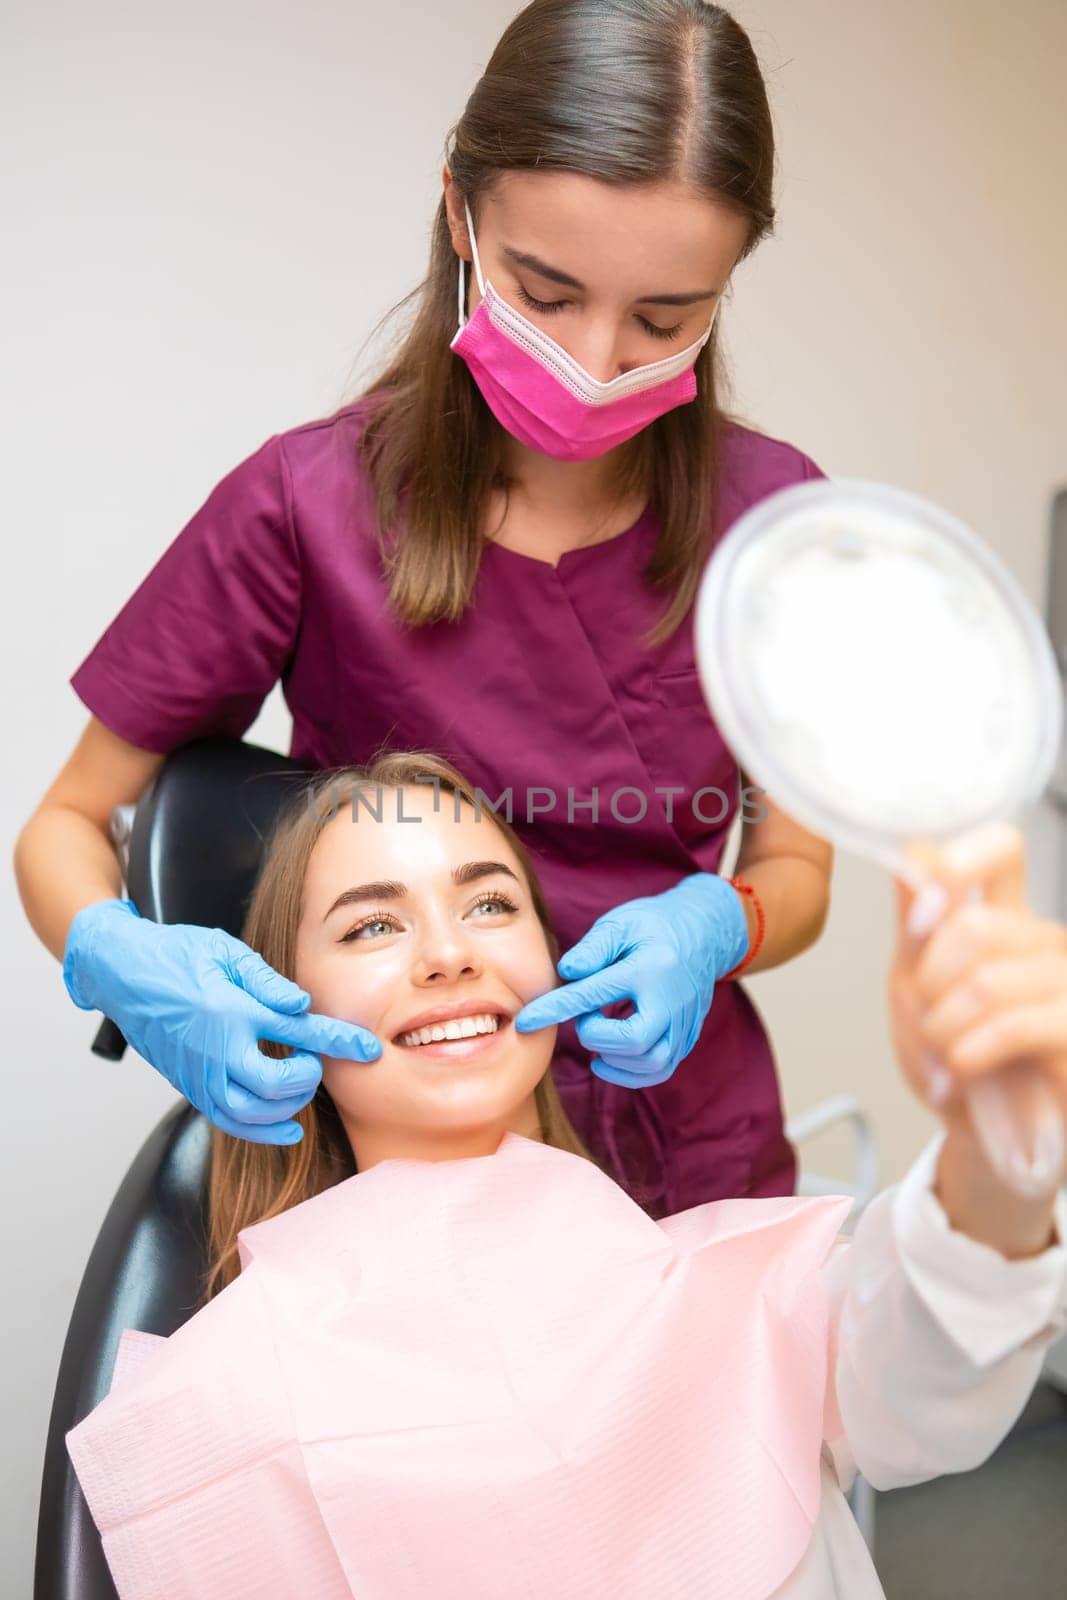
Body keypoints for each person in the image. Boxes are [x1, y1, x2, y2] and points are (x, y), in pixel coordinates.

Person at [15, 0, 836, 1215]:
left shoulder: (775, 524)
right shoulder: (302, 507)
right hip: (395, 1164)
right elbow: (65, 824)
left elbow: (795, 866)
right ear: (459, 209)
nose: (598, 358)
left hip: (684, 1157)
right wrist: (122, 959)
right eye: (547, 292)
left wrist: (723, 918)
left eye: (663, 318)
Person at [66, 754, 1067, 1600]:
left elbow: (932, 1353)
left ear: (556, 964)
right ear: (275, 1000)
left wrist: (1001, 1144)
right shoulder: (218, 1407)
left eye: (490, 903)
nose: (449, 954)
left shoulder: (738, 1300)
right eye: (373, 925)